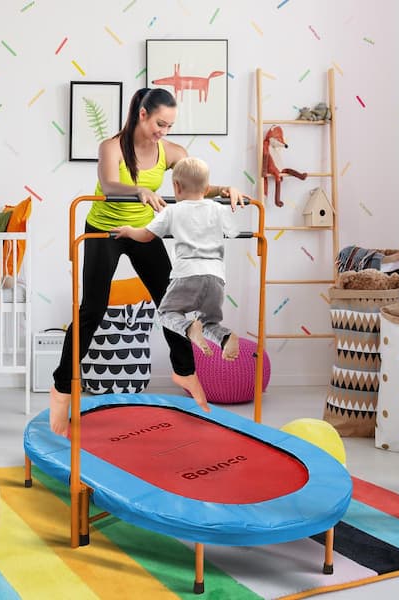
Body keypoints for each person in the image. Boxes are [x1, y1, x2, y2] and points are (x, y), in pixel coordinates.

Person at [50, 87, 245, 436]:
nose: (163, 132)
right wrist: (137, 190)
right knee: (93, 308)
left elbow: (196, 184)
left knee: (173, 301)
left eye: (169, 126)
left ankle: (183, 369)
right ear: (142, 114)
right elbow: (108, 183)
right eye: (160, 123)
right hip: (106, 231)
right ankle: (62, 386)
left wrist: (224, 190)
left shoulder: (171, 151)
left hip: (141, 232)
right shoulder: (112, 147)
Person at [112, 156, 241, 383]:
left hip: (187, 275)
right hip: (216, 278)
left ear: (176, 187)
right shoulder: (218, 209)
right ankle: (225, 337)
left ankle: (190, 328)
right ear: (207, 188)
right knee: (210, 322)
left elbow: (146, 236)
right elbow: (233, 232)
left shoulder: (173, 211)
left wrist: (129, 230)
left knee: (167, 314)